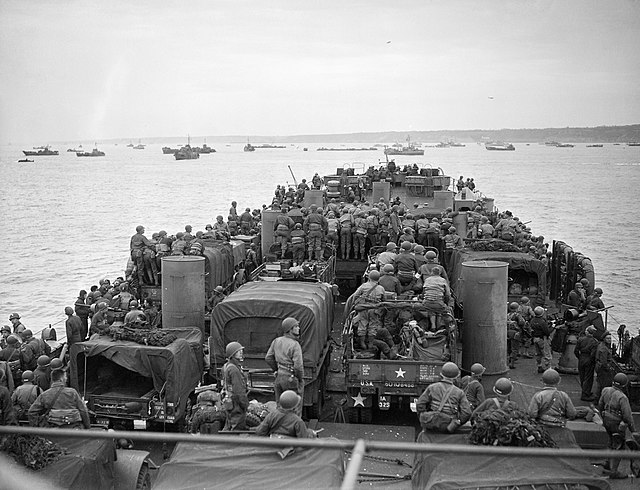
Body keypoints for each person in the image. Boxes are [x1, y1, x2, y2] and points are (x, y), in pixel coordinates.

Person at [598, 373, 636, 480]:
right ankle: (613, 471)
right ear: (624, 385)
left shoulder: (605, 390)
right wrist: (633, 431)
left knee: (610, 441)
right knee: (619, 446)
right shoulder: (622, 397)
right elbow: (628, 416)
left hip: (606, 420)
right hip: (617, 424)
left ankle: (607, 462)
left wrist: (603, 417)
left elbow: (600, 404)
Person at [416, 362, 471, 433]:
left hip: (432, 423)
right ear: (456, 377)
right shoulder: (459, 392)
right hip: (448, 425)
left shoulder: (432, 387)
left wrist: (425, 417)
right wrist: (456, 423)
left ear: (441, 374)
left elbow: (419, 404)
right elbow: (467, 413)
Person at [265, 318, 304, 417]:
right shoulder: (295, 345)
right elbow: (298, 367)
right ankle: (293, 428)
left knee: (280, 407)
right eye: (296, 326)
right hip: (291, 379)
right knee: (295, 407)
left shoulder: (276, 341)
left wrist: (276, 370)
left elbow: (268, 358)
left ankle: (279, 427)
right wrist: (299, 378)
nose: (298, 328)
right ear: (290, 329)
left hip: (279, 377)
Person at [222, 341, 249, 430]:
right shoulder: (234, 369)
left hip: (230, 400)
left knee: (229, 425)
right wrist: (244, 403)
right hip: (236, 402)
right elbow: (238, 390)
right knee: (237, 428)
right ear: (232, 354)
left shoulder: (227, 366)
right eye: (238, 351)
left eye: (241, 351)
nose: (241, 353)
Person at [421, 266, 451, 331]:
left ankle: (433, 326)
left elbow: (423, 293)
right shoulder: (443, 280)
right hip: (438, 303)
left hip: (427, 303)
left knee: (431, 310)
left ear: (432, 272)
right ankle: (440, 326)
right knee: (443, 309)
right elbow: (448, 295)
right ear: (439, 273)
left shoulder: (427, 280)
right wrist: (446, 303)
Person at [574, 325, 599, 401]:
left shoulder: (580, 339)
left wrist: (580, 357)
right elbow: (593, 354)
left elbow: (575, 351)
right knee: (588, 378)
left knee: (582, 376)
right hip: (589, 360)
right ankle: (585, 394)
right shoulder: (595, 342)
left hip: (581, 358)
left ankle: (586, 391)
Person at [530, 306, 553, 373]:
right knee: (547, 354)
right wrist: (552, 327)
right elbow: (547, 332)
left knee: (538, 353)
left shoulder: (532, 320)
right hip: (542, 339)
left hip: (535, 338)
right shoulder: (542, 322)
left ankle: (539, 366)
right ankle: (548, 369)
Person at [595, 332, 615, 401]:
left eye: (610, 338)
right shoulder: (604, 349)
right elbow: (604, 362)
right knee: (604, 384)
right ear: (604, 339)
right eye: (607, 338)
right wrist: (608, 368)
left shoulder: (601, 345)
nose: (609, 340)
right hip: (603, 369)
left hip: (599, 367)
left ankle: (598, 398)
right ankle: (601, 399)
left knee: (600, 383)